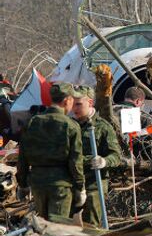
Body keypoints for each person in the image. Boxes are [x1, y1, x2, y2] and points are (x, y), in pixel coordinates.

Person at [16, 83, 86, 221]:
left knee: (44, 224)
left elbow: (22, 157)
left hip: (37, 182)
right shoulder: (70, 125)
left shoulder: (33, 122)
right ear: (67, 100)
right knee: (57, 228)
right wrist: (80, 187)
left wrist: (22, 184)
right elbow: (75, 160)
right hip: (61, 184)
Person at [72, 86, 121, 226]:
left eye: (79, 104)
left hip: (94, 183)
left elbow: (116, 155)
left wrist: (104, 161)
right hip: (73, 182)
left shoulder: (102, 127)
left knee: (90, 223)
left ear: (90, 103)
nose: (74, 108)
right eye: (72, 104)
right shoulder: (70, 125)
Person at [113, 86, 152, 167]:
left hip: (110, 156)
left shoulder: (110, 110)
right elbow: (150, 146)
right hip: (132, 163)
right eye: (142, 104)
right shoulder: (139, 116)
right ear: (138, 101)